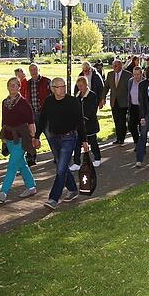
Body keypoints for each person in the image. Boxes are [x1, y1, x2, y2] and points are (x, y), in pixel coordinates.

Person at [34, 78, 89, 210]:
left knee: (61, 169)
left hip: (69, 138)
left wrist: (84, 140)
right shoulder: (49, 101)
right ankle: (72, 189)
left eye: (63, 86)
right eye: (59, 87)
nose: (62, 89)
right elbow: (42, 120)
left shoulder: (73, 101)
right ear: (53, 89)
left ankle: (53, 198)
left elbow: (80, 122)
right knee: (62, 166)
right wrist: (36, 137)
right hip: (54, 138)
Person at [0, 76, 37, 203]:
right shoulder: (4, 102)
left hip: (21, 138)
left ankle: (3, 192)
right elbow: (4, 120)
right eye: (10, 84)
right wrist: (3, 137)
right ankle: (31, 187)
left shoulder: (24, 103)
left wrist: (33, 138)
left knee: (12, 165)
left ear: (19, 87)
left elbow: (31, 122)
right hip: (8, 137)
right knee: (21, 164)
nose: (13, 87)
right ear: (7, 87)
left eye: (15, 85)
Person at [20, 63, 51, 165]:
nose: (33, 72)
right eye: (31, 70)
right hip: (32, 114)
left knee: (50, 135)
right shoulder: (28, 83)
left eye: (35, 70)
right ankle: (31, 157)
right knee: (31, 136)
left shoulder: (46, 81)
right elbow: (25, 97)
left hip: (44, 114)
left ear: (38, 70)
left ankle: (57, 155)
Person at [70, 75, 102, 170]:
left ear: (86, 85)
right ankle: (76, 163)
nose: (80, 88)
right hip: (79, 125)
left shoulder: (92, 95)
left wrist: (84, 118)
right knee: (77, 144)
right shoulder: (77, 96)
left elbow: (92, 109)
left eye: (81, 85)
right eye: (78, 86)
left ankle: (97, 158)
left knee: (93, 142)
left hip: (90, 124)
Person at [102, 59, 131, 144]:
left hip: (124, 101)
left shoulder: (127, 75)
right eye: (113, 66)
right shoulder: (110, 74)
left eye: (116, 66)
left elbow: (130, 88)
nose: (114, 67)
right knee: (116, 120)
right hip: (114, 101)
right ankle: (118, 138)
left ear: (121, 66)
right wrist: (103, 97)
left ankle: (121, 138)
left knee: (122, 120)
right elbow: (106, 87)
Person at [126, 66, 144, 145]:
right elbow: (128, 94)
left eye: (138, 74)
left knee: (142, 127)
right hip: (133, 107)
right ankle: (137, 142)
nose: (136, 76)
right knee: (132, 126)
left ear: (141, 74)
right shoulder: (130, 81)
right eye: (134, 74)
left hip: (142, 108)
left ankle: (142, 144)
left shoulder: (145, 82)